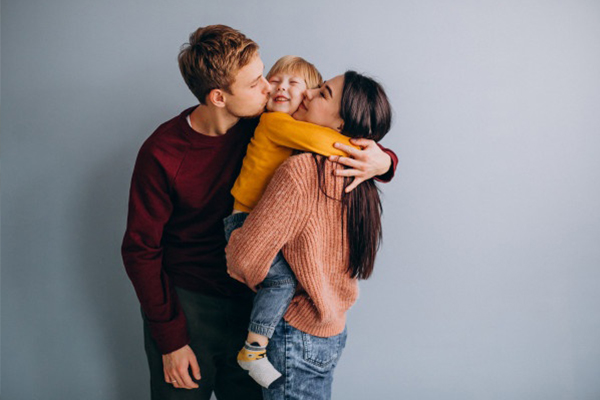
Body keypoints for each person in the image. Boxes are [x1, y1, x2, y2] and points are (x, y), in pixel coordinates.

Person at [122, 24, 397, 400]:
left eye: (263, 74)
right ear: (219, 97)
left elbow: (342, 127)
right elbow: (140, 251)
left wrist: (383, 161)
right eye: (255, 84)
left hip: (255, 307)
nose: (269, 88)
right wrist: (170, 340)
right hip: (188, 309)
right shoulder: (162, 153)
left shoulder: (269, 123)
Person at [226, 70, 393, 400]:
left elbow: (244, 259)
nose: (309, 94)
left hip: (296, 333)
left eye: (324, 93)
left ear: (342, 124)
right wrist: (384, 161)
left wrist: (236, 245)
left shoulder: (301, 171)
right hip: (331, 330)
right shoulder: (362, 174)